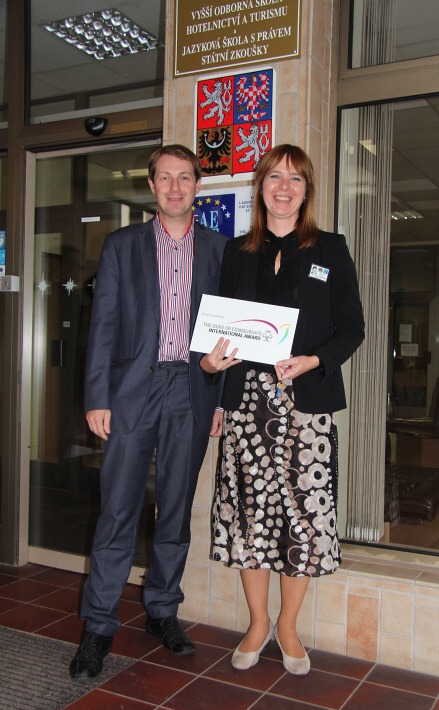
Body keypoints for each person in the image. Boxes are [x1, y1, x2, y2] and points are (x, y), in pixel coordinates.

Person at [201, 144, 364, 676]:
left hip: (306, 405)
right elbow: (222, 330)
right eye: (275, 176)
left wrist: (314, 360)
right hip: (247, 404)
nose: (284, 187)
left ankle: (288, 628)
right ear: (261, 186)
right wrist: (214, 373)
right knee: (250, 515)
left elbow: (352, 327)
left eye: (295, 178)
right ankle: (257, 623)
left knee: (301, 517)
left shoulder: (330, 248)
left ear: (307, 190)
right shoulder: (237, 251)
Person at [69, 144, 230, 680]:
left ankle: (162, 609)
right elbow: (103, 325)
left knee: (176, 510)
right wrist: (97, 396)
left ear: (198, 186)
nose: (175, 187)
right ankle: (98, 626)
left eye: (185, 177)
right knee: (117, 510)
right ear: (152, 185)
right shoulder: (122, 245)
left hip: (192, 388)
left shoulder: (220, 250)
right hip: (133, 391)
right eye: (166, 177)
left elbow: (229, 332)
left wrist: (219, 399)